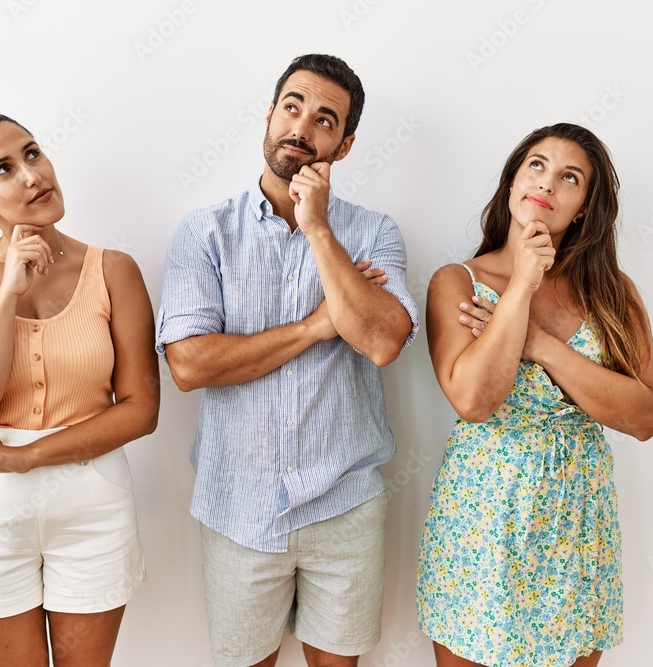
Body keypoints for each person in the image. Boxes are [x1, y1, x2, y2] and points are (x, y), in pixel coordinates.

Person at [158, 54, 419, 667]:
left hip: (345, 503)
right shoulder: (204, 233)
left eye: (324, 120)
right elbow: (191, 365)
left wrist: (319, 228)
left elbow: (381, 342)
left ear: (345, 144)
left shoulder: (376, 232)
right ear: (270, 114)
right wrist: (318, 326)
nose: (302, 128)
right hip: (238, 505)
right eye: (293, 107)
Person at [417, 123, 653, 667]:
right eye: (536, 165)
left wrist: (544, 347)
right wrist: (524, 283)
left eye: (569, 177)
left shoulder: (612, 293)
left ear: (582, 209)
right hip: (484, 514)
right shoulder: (457, 283)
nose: (547, 183)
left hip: (578, 517)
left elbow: (645, 415)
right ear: (511, 184)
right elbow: (475, 401)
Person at [0, 112, 159, 667]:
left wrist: (27, 457)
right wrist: (6, 295)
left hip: (94, 500)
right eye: (4, 168)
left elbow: (142, 410)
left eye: (32, 153)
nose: (32, 175)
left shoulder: (115, 270)